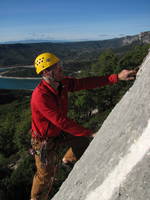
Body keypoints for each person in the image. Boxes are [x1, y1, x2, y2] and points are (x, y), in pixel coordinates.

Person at [30, 52, 137, 200]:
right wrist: (88, 132)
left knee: (81, 139)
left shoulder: (62, 83)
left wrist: (116, 77)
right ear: (47, 72)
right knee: (45, 176)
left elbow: (85, 83)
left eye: (60, 65)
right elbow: (59, 120)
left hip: (57, 131)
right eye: (58, 67)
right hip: (44, 140)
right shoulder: (40, 96)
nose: (61, 69)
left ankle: (68, 160)